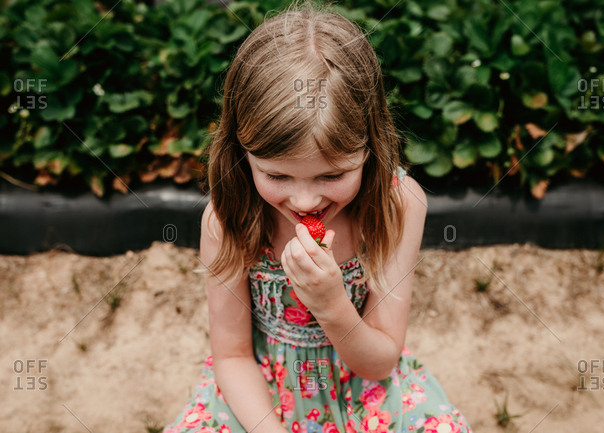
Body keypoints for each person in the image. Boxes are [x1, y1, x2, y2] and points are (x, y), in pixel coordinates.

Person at [163, 2, 472, 432]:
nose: (305, 201)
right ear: (242, 154)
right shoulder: (227, 219)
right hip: (261, 394)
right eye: (276, 175)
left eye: (332, 174)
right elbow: (231, 356)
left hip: (363, 383)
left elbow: (381, 361)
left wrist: (331, 305)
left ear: (370, 146)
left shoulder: (397, 206)